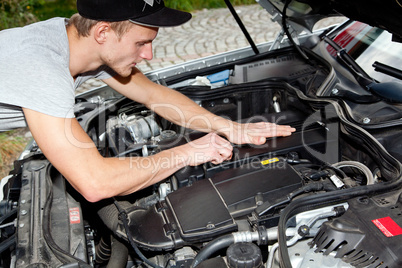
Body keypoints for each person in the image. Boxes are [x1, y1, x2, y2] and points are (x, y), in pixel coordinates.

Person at [0, 0, 295, 202]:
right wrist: (187, 153)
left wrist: (230, 127)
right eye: (141, 43)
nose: (148, 55)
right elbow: (94, 182)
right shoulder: (42, 67)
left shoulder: (71, 38)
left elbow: (155, 95)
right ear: (103, 32)